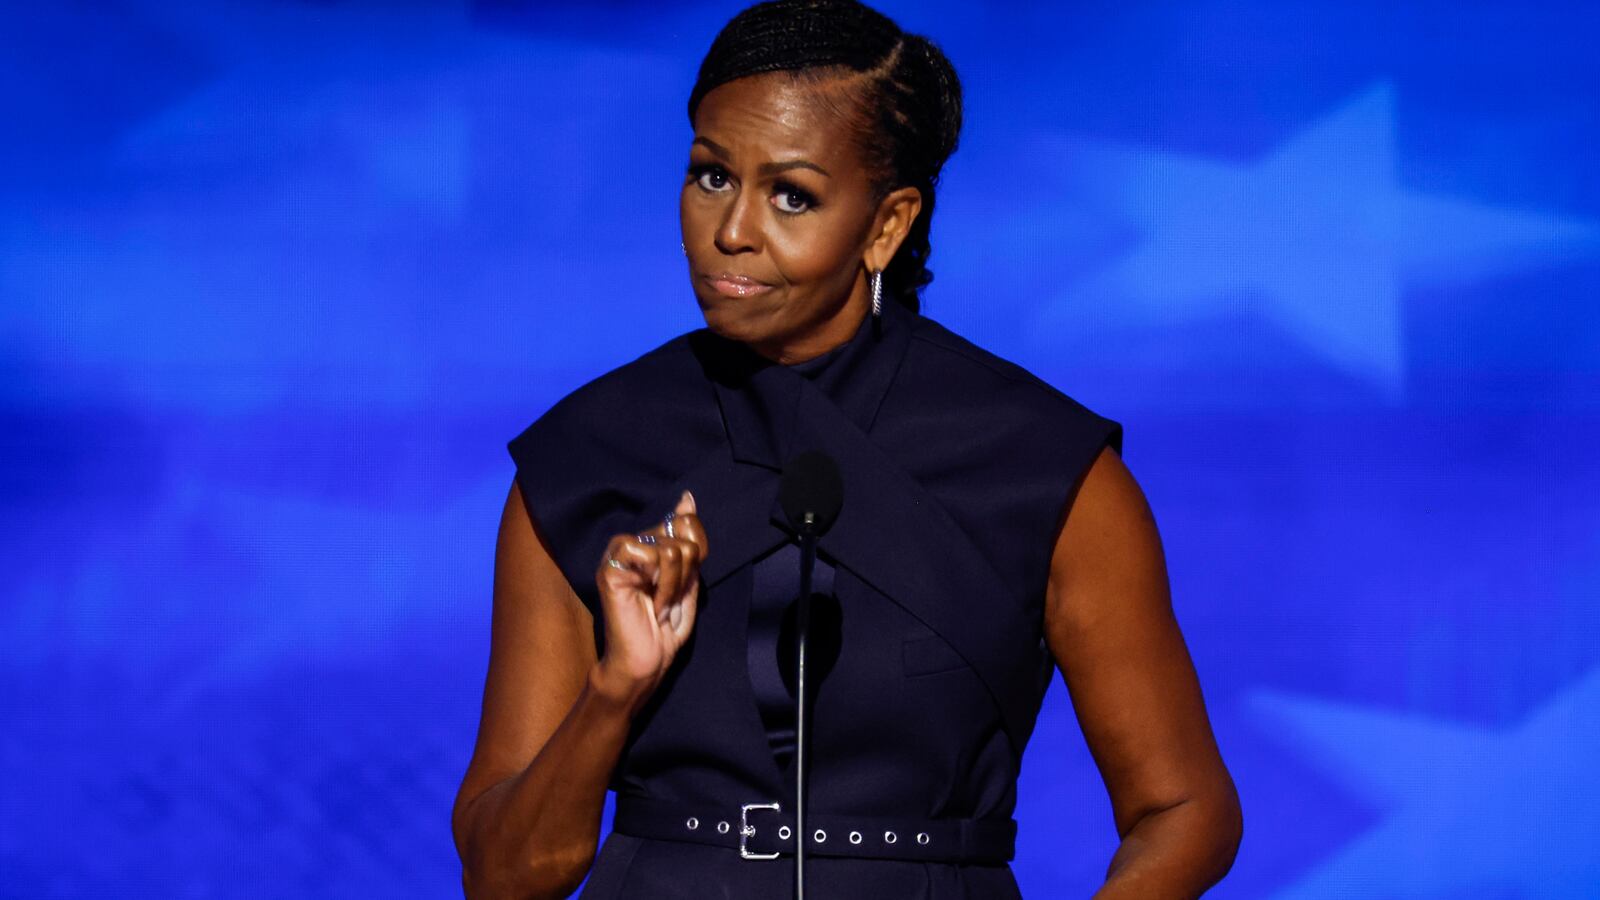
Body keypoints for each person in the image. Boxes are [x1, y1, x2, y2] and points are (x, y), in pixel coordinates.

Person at [451, 1, 1242, 897]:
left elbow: (1185, 810)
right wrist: (615, 690)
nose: (733, 231)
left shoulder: (1044, 467)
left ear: (886, 225)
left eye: (792, 195)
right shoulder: (584, 458)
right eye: (711, 176)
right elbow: (506, 876)